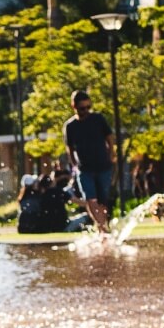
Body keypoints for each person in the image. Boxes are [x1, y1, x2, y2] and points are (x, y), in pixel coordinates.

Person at [63, 89, 114, 234]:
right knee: (90, 199)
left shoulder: (98, 119)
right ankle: (102, 227)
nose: (85, 110)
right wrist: (74, 165)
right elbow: (70, 148)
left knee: (103, 200)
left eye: (88, 107)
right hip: (84, 169)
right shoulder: (70, 126)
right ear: (74, 107)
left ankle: (102, 227)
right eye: (82, 108)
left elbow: (109, 138)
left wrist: (112, 154)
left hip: (103, 166)